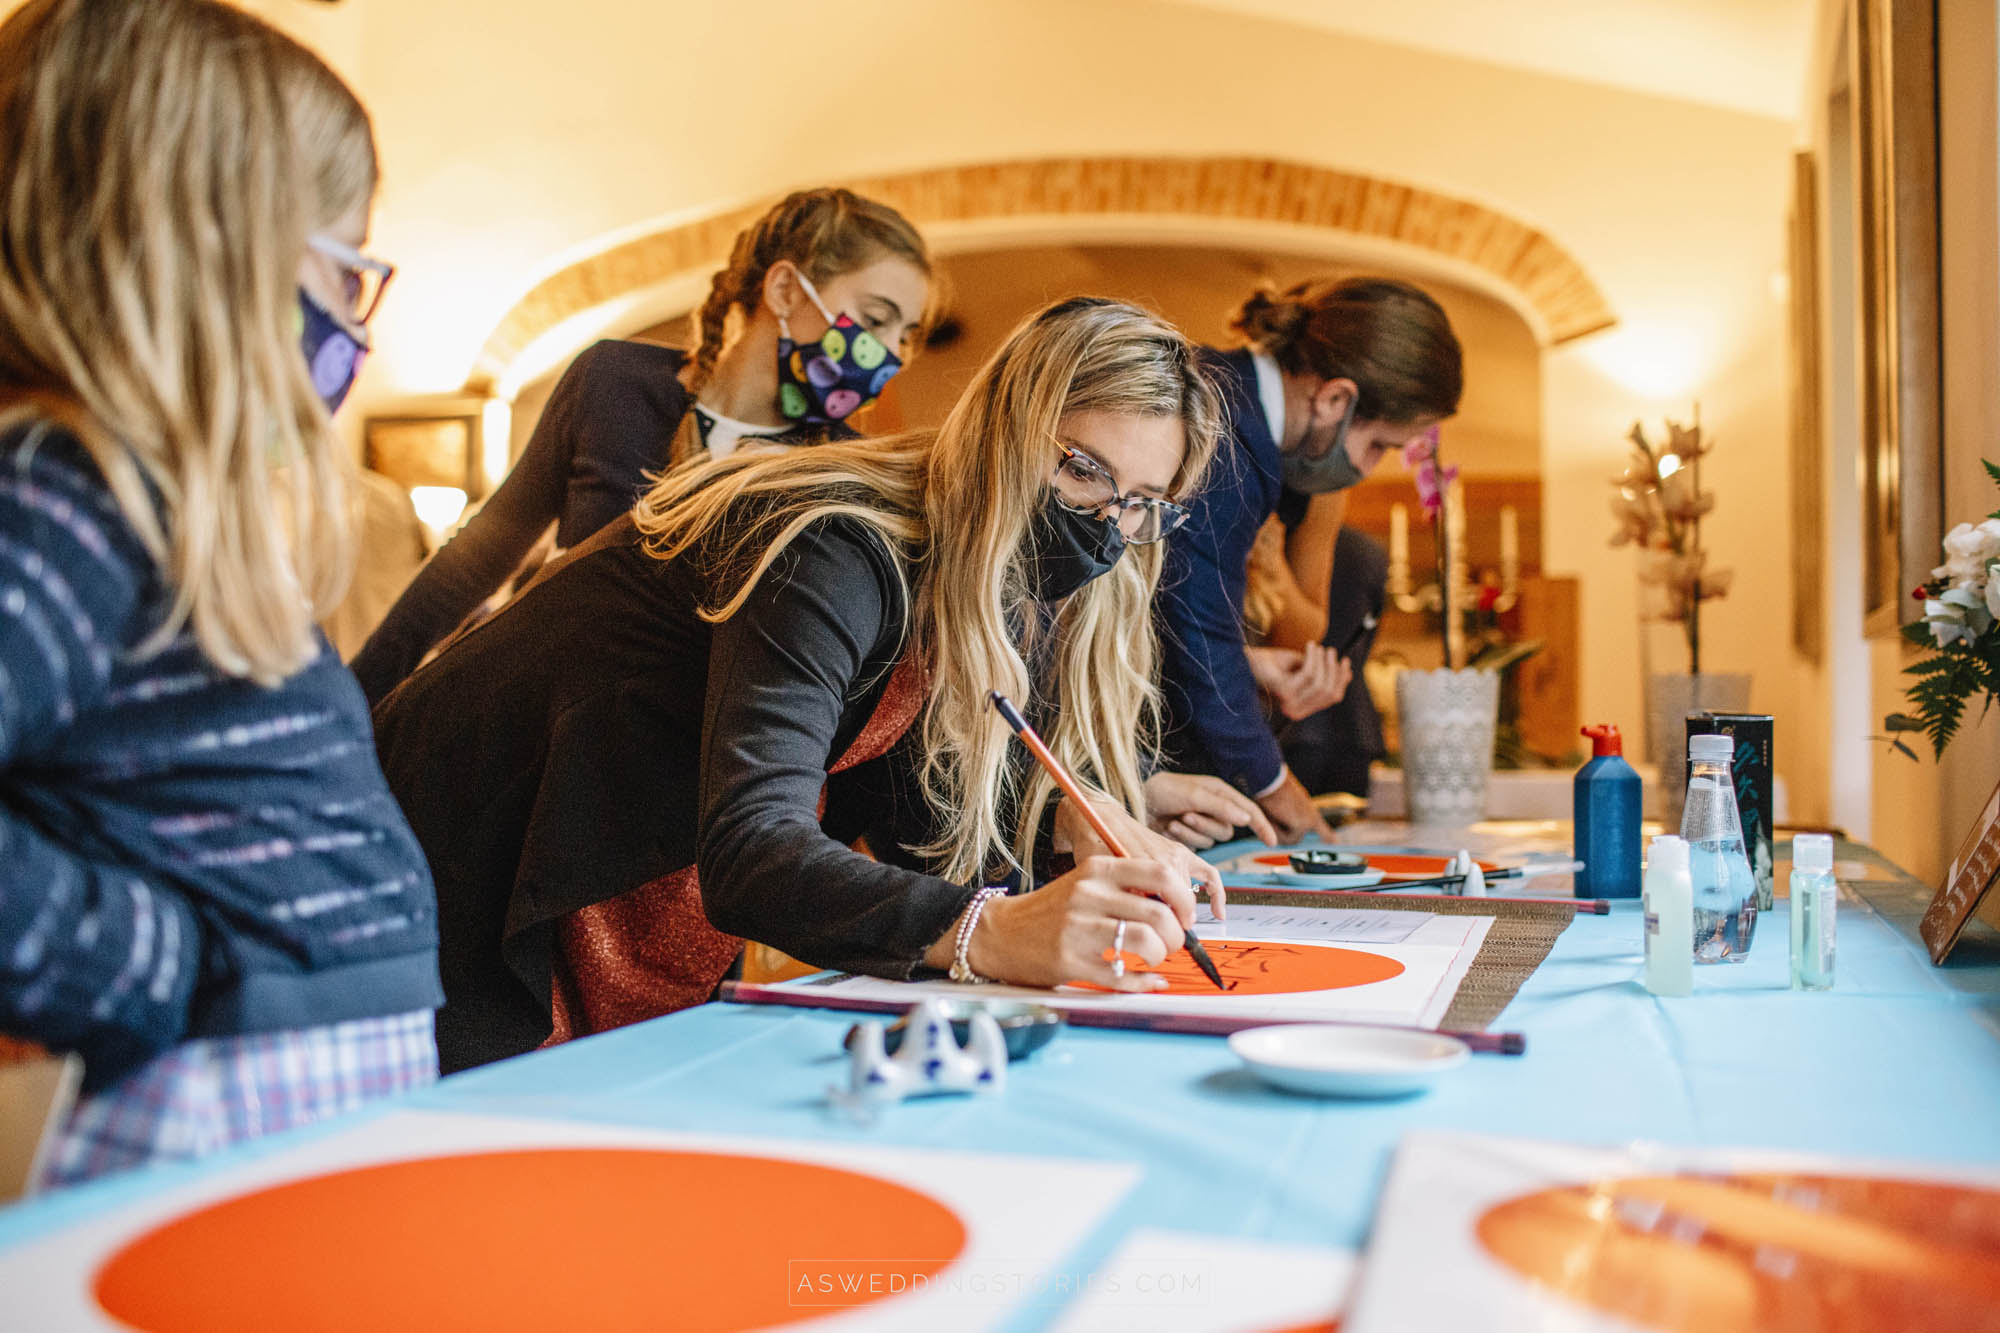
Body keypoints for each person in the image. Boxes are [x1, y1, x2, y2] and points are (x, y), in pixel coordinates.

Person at [372, 298, 1231, 1072]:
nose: (1107, 527)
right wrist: (996, 928)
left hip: (600, 873)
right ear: (1007, 430)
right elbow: (753, 851)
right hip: (451, 862)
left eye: (1141, 504)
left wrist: (1057, 826)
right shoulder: (834, 547)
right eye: (1083, 469)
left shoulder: (960, 573)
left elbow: (914, 822)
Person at [0, 0, 440, 1186]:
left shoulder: (145, 501)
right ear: (208, 251)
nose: (351, 324)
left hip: (286, 1092)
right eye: (344, 269)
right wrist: (150, 961)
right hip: (205, 1097)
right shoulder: (64, 491)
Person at [349, 188, 936, 703]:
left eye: (904, 336)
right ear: (785, 288)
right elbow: (475, 561)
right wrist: (356, 700)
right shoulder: (615, 383)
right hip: (539, 718)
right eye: (876, 318)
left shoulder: (836, 471)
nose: (889, 354)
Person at [1158, 277, 1461, 839]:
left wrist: (1252, 665)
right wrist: (1281, 792)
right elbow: (1196, 633)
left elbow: (1160, 615)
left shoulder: (1229, 398)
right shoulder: (1223, 432)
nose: (1369, 469)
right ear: (1335, 399)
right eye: (1378, 446)